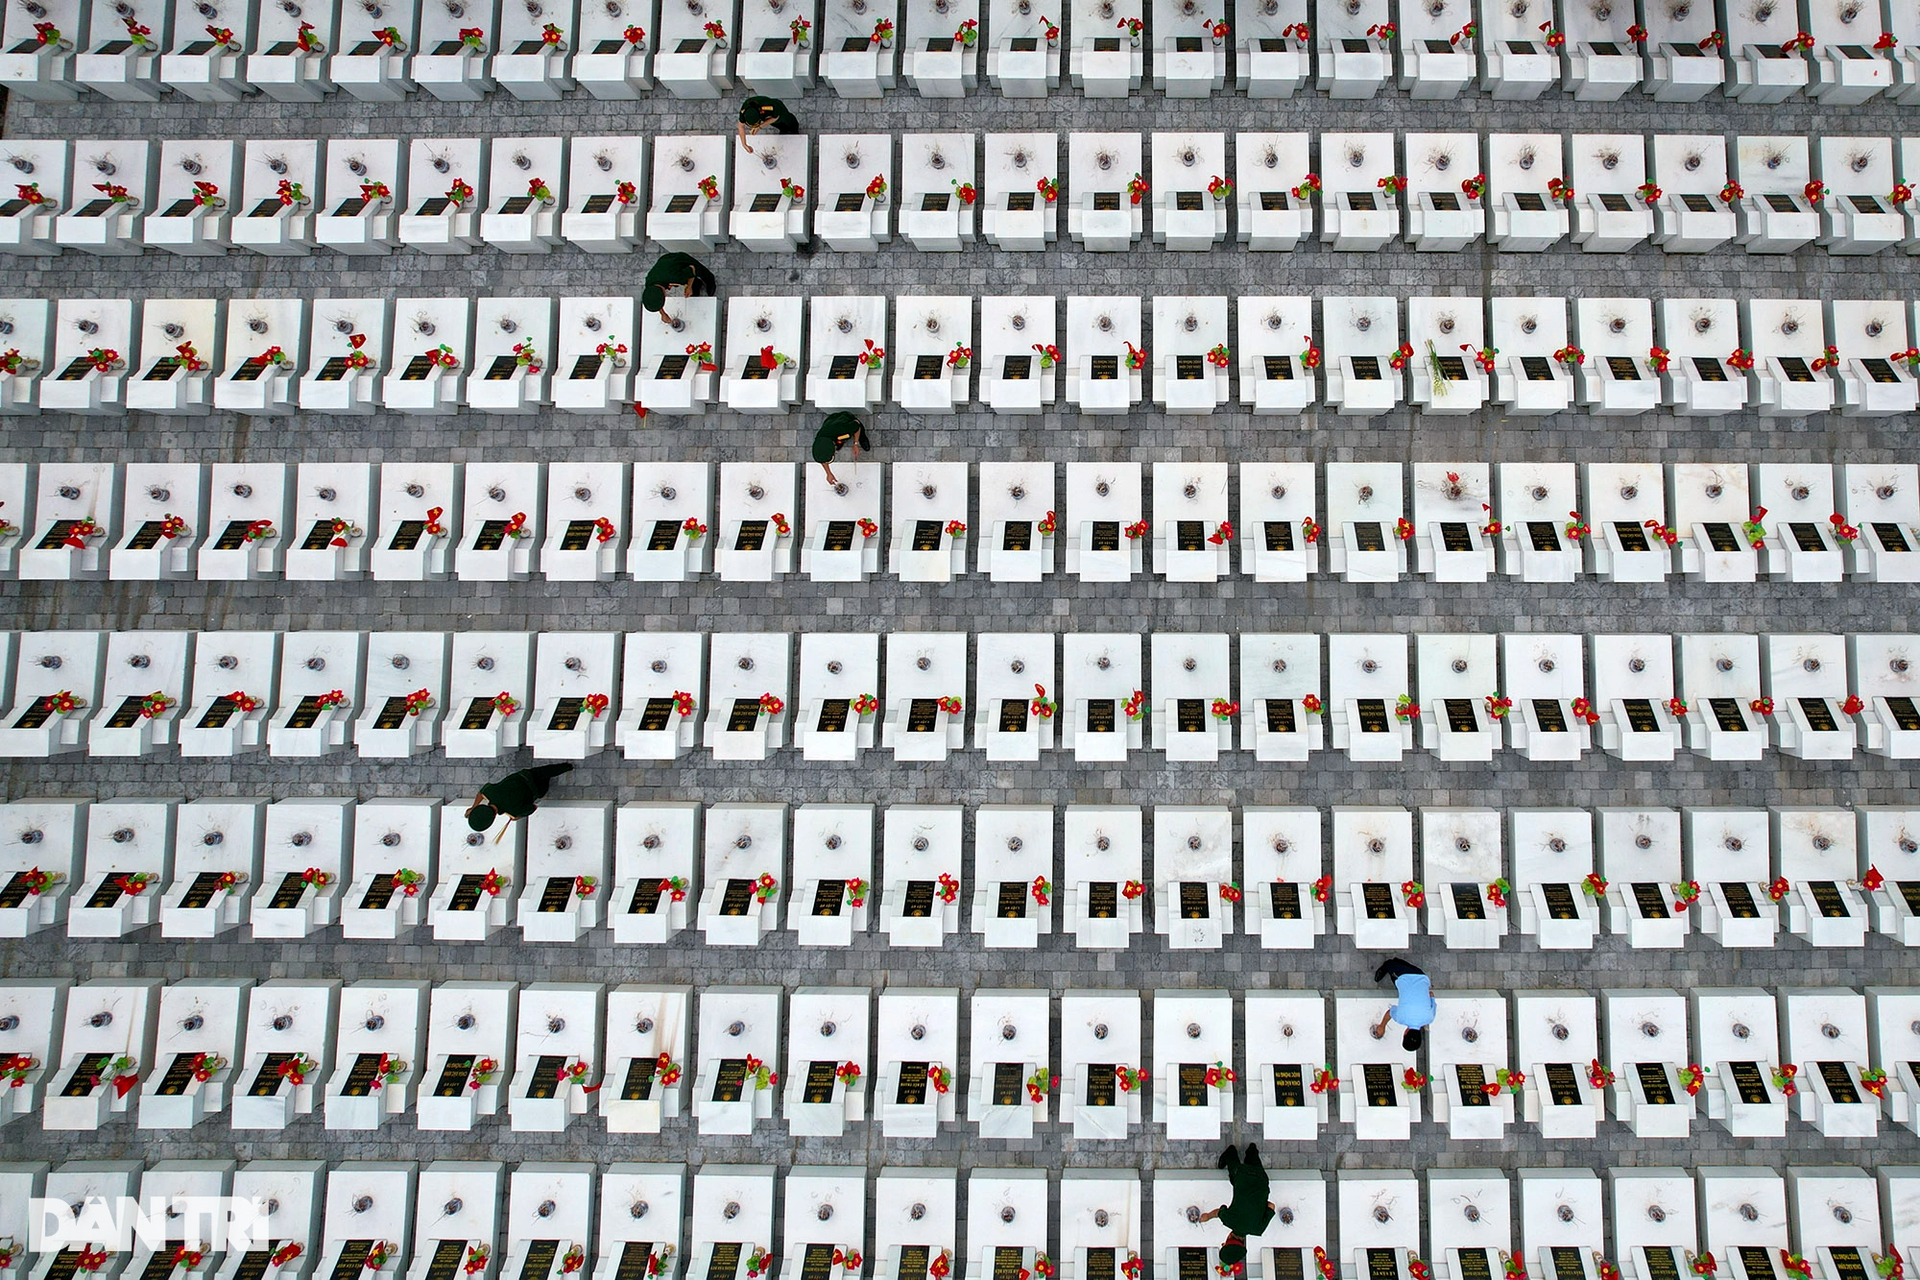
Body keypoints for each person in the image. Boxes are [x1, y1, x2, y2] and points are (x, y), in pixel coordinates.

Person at [1197, 1144, 1275, 1272]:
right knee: (1234, 1175)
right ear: (1228, 1238)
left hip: (1261, 1179)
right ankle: (1230, 1152)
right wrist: (1207, 1217)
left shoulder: (1258, 1229)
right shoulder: (1229, 1221)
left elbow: (1271, 1206)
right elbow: (1218, 1212)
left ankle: (1252, 1150)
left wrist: (1258, 1202)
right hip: (1242, 1175)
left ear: (1243, 1243)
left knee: (1254, 1164)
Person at [467, 763, 574, 833]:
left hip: (537, 789)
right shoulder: (490, 792)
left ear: (493, 818)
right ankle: (567, 766)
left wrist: (517, 817)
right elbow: (481, 793)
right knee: (543, 771)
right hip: (525, 775)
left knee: (546, 780)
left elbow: (532, 808)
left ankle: (567, 768)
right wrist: (473, 807)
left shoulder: (513, 812)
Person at [1371, 956, 1435, 1051]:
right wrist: (1382, 1025)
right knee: (1392, 967)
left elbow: (1431, 994)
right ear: (1405, 1034)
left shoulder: (1430, 1018)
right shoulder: (1401, 1018)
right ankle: (1389, 965)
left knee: (1403, 967)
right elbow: (1389, 1013)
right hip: (1403, 976)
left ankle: (1398, 962)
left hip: (1422, 977)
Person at [641, 252, 717, 321]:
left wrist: (689, 287)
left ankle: (710, 281)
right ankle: (696, 284)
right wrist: (663, 314)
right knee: (684, 279)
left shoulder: (675, 277)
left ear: (664, 294)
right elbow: (655, 299)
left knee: (700, 271)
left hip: (680, 260)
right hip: (665, 264)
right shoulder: (649, 286)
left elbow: (692, 269)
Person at [812, 411, 872, 487]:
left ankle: (862, 438)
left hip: (845, 419)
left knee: (857, 430)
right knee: (841, 439)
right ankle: (841, 442)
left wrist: (855, 444)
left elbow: (857, 426)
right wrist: (828, 473)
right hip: (830, 422)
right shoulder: (820, 442)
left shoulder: (843, 430)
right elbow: (822, 458)